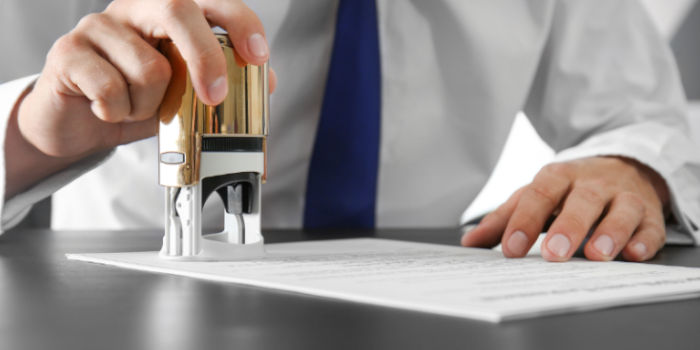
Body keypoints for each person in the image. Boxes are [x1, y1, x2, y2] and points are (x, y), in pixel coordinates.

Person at [2, 0, 699, 263]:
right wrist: (31, 135)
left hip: (429, 302)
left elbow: (646, 119)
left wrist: (630, 165)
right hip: (127, 304)